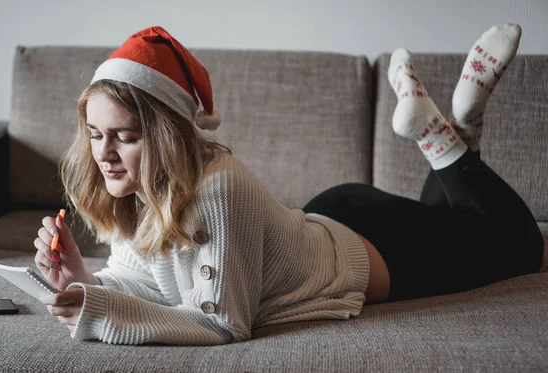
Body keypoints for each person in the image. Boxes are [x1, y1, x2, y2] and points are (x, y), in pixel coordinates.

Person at [34, 24, 544, 345]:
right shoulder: (134, 193)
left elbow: (221, 323)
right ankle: (456, 134)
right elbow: (148, 286)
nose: (102, 154)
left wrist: (98, 313)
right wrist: (85, 279)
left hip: (368, 250)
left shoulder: (217, 190)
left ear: (167, 137)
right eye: (96, 134)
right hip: (333, 217)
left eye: (123, 137)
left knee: (519, 246)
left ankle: (445, 135)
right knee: (460, 223)